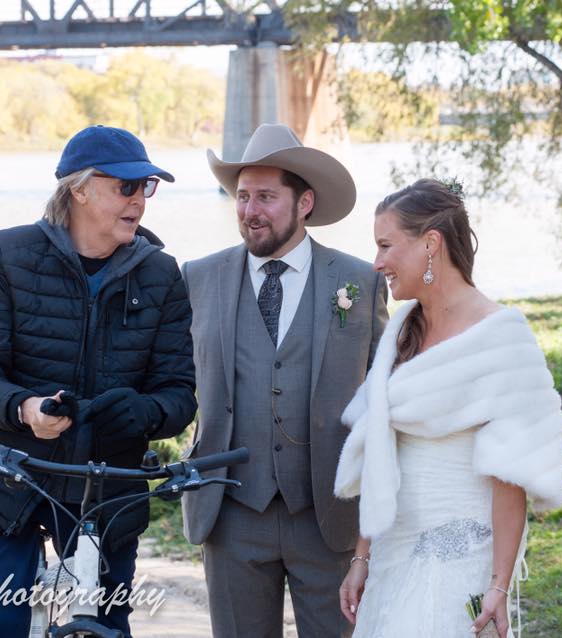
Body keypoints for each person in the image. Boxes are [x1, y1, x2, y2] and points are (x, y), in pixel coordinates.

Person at [0, 125, 197, 638]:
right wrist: (25, 409)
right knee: (2, 620)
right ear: (79, 189)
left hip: (106, 488)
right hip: (4, 477)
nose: (139, 200)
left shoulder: (161, 274)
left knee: (106, 624)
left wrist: (145, 413)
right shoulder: (4, 255)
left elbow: (178, 393)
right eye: (126, 187)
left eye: (146, 187)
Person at [333, 178, 562, 638]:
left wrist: (498, 586)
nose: (377, 262)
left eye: (385, 245)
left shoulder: (501, 337)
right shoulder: (402, 329)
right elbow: (381, 452)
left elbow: (509, 477)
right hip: (392, 555)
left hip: (460, 557)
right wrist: (362, 556)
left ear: (431, 244)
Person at [180, 123, 389, 637]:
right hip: (230, 512)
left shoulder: (359, 282)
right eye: (242, 196)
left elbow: (384, 393)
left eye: (266, 197)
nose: (250, 210)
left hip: (329, 515)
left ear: (304, 203)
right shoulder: (199, 277)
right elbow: (174, 378)